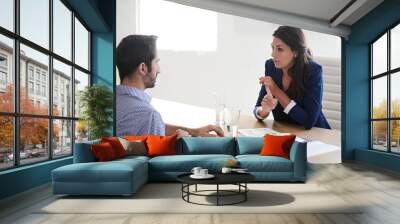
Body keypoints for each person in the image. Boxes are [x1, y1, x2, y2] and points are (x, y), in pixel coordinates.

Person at [116, 35, 224, 137]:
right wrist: (177, 142)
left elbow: (150, 124)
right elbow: (157, 155)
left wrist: (193, 131)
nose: (159, 70)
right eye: (156, 62)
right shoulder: (148, 115)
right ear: (143, 68)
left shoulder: (111, 101)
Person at [254, 26, 331, 129]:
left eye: (280, 49)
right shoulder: (271, 66)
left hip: (315, 135)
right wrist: (264, 111)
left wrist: (277, 92)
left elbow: (309, 121)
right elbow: (257, 108)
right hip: (284, 132)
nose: (273, 54)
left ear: (295, 52)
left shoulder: (313, 71)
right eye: (273, 48)